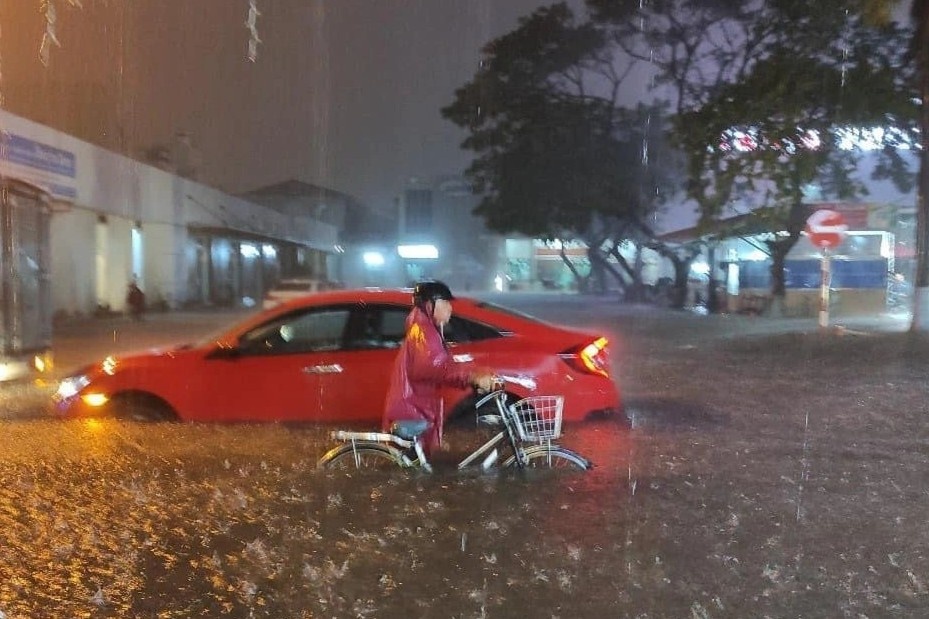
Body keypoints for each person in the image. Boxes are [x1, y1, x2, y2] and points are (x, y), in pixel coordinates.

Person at [382, 280, 494, 467]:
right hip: (413, 410)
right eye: (445, 303)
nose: (450, 308)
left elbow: (441, 365)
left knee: (422, 467)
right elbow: (433, 368)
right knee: (421, 470)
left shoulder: (426, 329)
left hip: (416, 407)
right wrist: (471, 377)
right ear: (430, 305)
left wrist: (472, 375)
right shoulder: (424, 332)